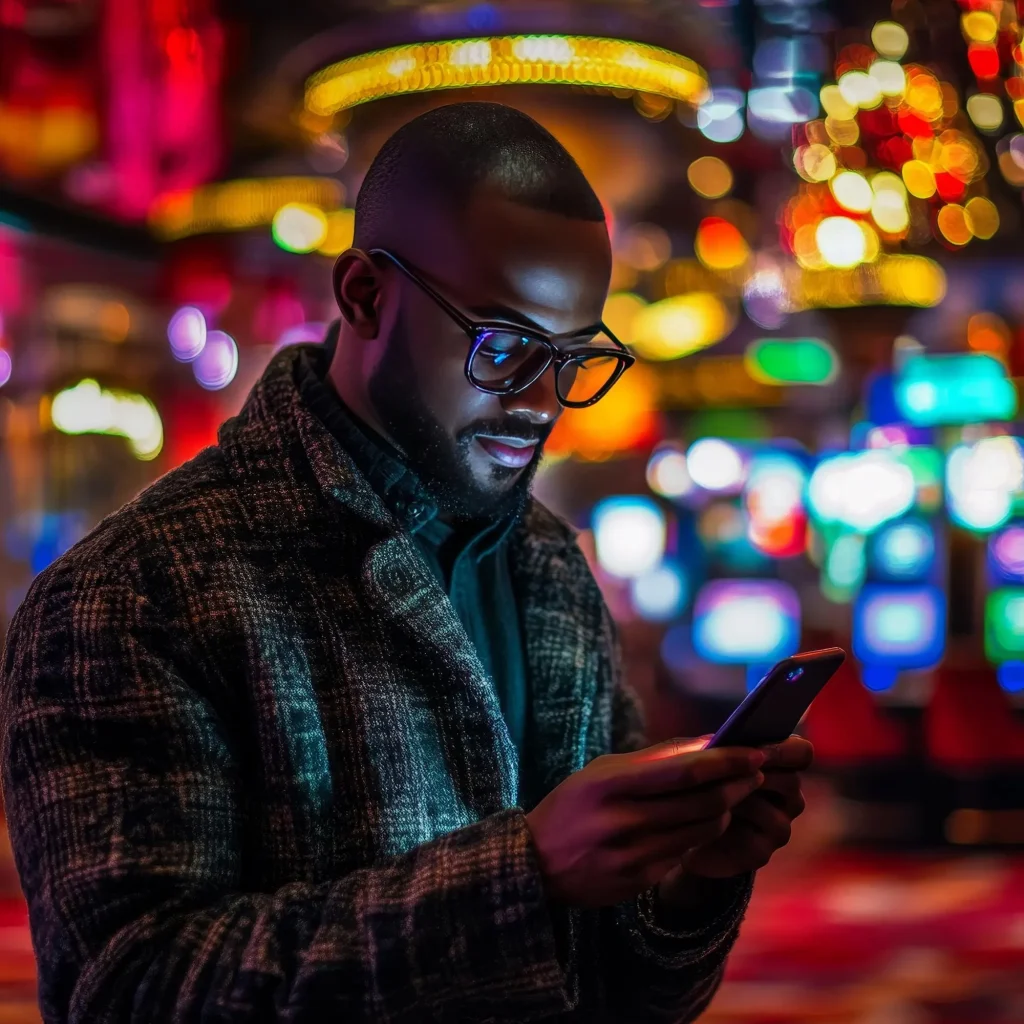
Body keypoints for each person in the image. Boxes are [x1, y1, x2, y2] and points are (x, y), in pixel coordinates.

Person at [0, 102, 812, 1023]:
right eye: (503, 346)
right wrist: (524, 875)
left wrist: (685, 883)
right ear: (364, 295)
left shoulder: (549, 568)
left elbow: (620, 995)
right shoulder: (135, 589)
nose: (546, 403)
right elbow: (130, 993)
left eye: (575, 355)